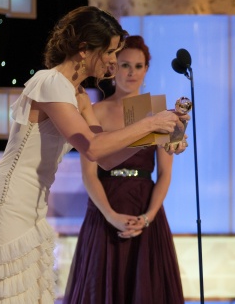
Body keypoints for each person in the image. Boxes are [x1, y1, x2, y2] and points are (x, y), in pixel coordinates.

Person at [0, 7, 187, 304]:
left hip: (33, 207)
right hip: (7, 202)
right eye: (110, 52)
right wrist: (151, 123)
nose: (113, 60)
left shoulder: (80, 96)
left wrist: (160, 137)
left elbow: (106, 158)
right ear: (85, 50)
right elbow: (92, 147)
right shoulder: (50, 82)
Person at [63, 35, 184, 304]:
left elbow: (164, 173)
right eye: (125, 64)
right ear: (112, 67)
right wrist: (110, 215)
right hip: (105, 207)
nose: (132, 72)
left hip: (145, 209)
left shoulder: (158, 113)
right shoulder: (96, 111)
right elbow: (89, 173)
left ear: (146, 70)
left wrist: (148, 217)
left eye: (138, 66)